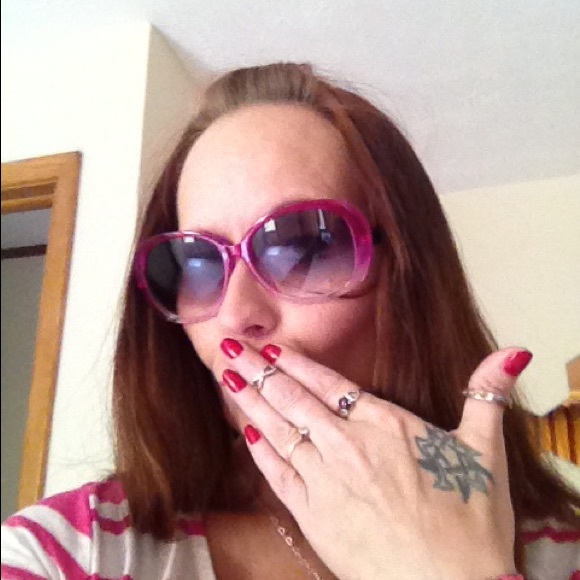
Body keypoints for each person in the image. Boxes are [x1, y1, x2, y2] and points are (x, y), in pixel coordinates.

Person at [2, 63, 579, 580]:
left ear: (411, 274)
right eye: (197, 263)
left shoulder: (562, 554)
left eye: (305, 247)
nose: (235, 314)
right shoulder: (62, 554)